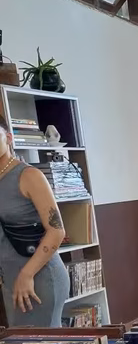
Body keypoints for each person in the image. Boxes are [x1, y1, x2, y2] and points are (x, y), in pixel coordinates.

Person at [0, 114, 70, 326]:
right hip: (10, 277)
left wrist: (26, 275)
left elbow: (57, 231)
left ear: (8, 138)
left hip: (38, 276)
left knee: (43, 342)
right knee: (22, 343)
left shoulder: (28, 175)